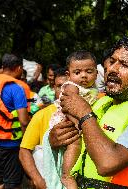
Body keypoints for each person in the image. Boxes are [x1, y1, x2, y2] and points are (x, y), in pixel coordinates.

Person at [48, 35, 128, 188]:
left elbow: (107, 164)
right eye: (112, 62)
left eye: (124, 65)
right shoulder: (102, 102)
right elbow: (77, 139)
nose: (112, 69)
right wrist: (55, 139)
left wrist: (85, 113)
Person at [43, 51, 99, 189]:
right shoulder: (71, 87)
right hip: (67, 120)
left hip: (79, 119)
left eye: (89, 71)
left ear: (97, 73)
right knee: (75, 145)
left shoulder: (93, 89)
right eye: (78, 72)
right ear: (68, 75)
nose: (84, 75)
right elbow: (68, 107)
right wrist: (78, 124)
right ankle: (67, 176)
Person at [19, 68, 67, 189]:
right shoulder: (41, 115)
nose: (62, 91)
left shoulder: (88, 113)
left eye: (67, 86)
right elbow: (24, 151)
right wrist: (37, 179)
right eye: (58, 86)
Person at [0, 53, 31, 188]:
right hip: (10, 143)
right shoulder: (16, 88)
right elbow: (23, 121)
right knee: (12, 183)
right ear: (19, 68)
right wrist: (26, 144)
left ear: (3, 67)